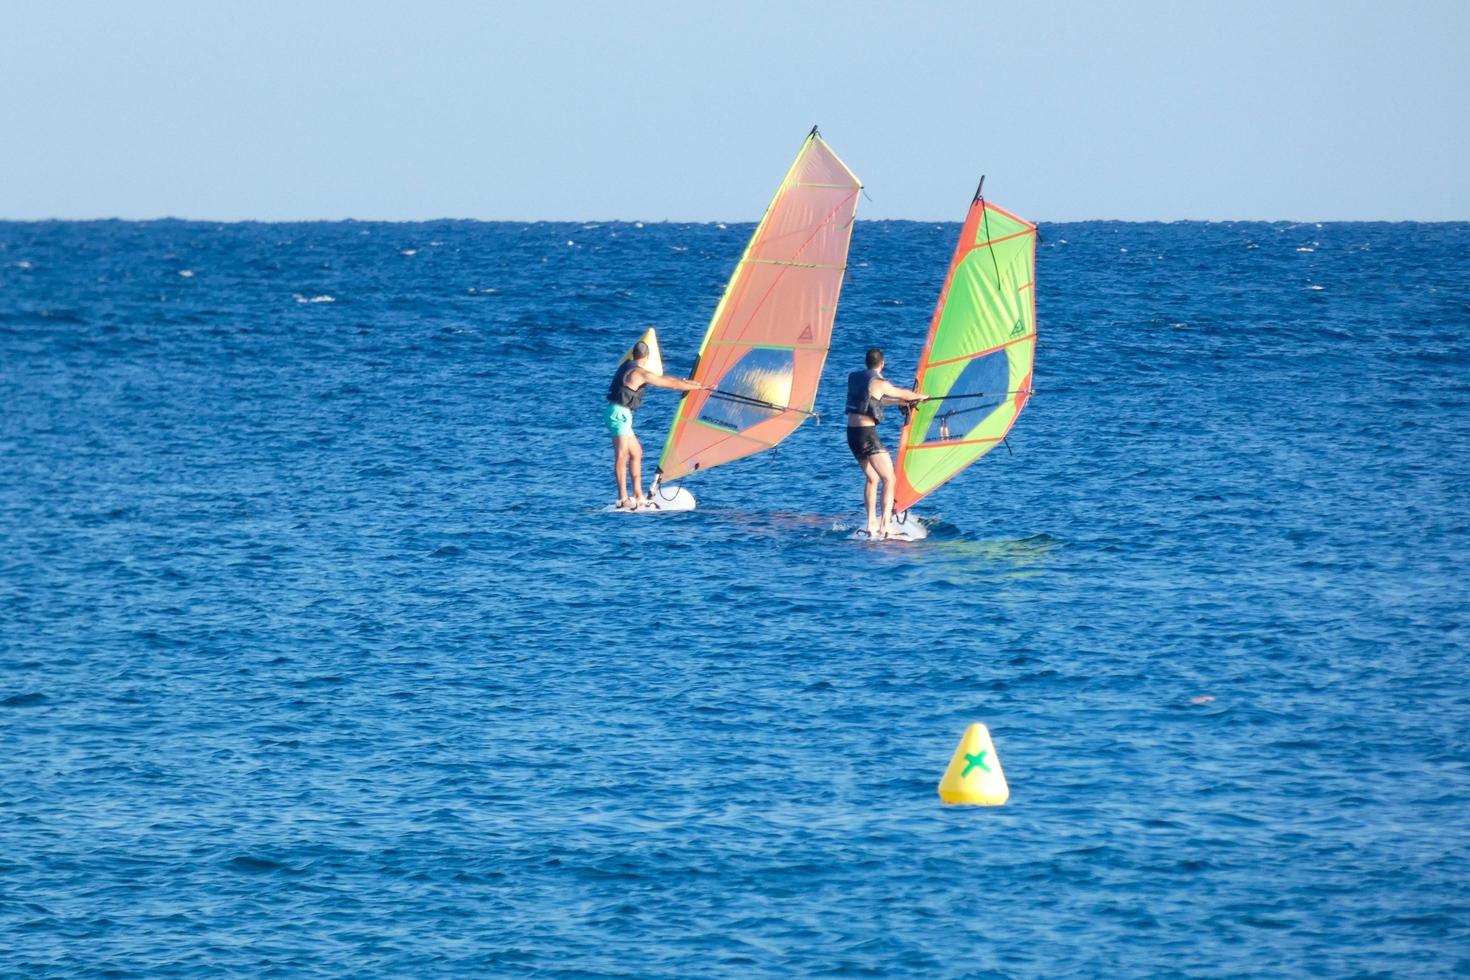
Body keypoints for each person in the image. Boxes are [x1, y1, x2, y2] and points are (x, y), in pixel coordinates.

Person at [607, 340, 704, 509]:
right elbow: (670, 384)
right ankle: (622, 499)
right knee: (622, 456)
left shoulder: (626, 364)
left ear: (633, 354)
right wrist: (697, 387)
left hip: (622, 414)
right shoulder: (639, 373)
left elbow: (665, 378)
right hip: (619, 414)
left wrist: (690, 383)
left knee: (636, 452)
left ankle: (638, 495)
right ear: (647, 357)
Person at [846, 347, 925, 538]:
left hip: (852, 435)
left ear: (866, 363)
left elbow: (874, 400)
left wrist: (897, 403)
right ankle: (885, 526)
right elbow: (902, 393)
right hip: (867, 434)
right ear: (882, 364)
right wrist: (920, 397)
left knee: (873, 478)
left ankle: (871, 523)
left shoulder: (854, 378)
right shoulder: (880, 382)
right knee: (889, 478)